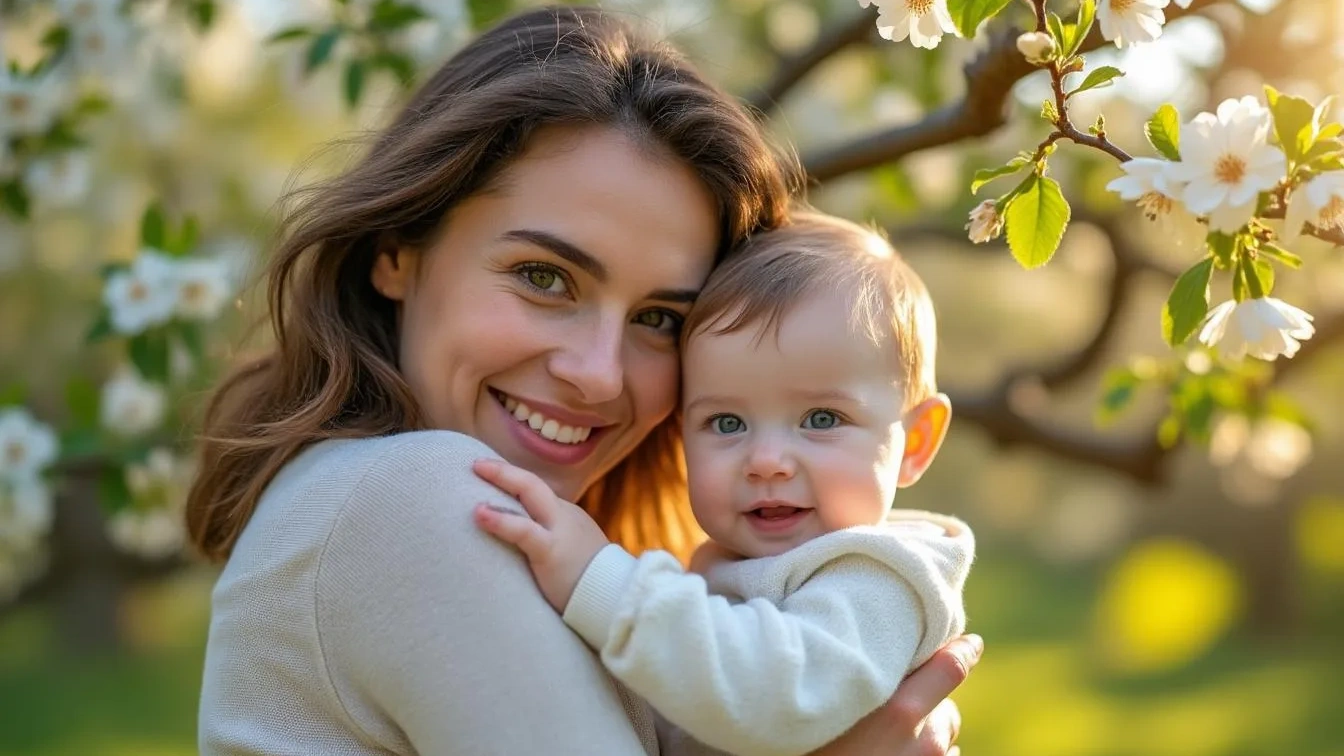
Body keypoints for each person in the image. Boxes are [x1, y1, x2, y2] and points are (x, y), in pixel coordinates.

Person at [186, 6, 981, 755]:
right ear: (397, 249)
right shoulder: (409, 498)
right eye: (544, 276)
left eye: (660, 319)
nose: (598, 376)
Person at [473, 213, 974, 756]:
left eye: (822, 419)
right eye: (727, 424)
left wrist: (601, 582)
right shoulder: (733, 563)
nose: (766, 462)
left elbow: (773, 699)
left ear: (916, 441)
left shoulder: (876, 577)